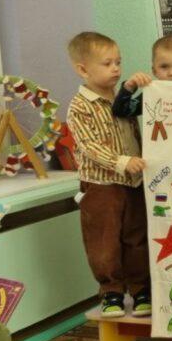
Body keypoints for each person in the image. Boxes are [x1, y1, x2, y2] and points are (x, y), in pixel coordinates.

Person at [66, 32, 150, 318]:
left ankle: (140, 289)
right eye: (107, 64)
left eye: (118, 62)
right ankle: (111, 291)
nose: (115, 68)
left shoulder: (121, 100)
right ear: (83, 69)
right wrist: (121, 162)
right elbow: (89, 146)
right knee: (104, 241)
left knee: (136, 237)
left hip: (133, 182)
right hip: (102, 186)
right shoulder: (80, 106)